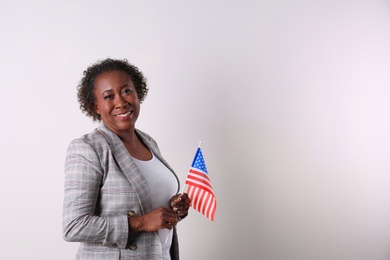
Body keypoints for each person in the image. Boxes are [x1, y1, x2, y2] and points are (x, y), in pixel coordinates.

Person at [62, 58, 190, 260]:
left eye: (126, 91)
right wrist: (141, 223)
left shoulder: (148, 142)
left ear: (137, 93)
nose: (121, 102)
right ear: (96, 106)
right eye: (109, 96)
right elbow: (74, 226)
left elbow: (149, 205)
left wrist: (174, 209)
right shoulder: (88, 148)